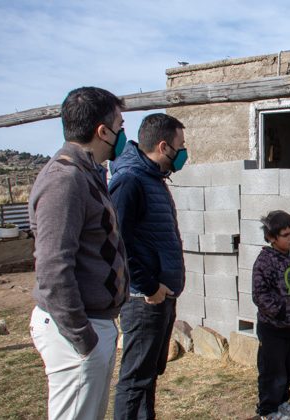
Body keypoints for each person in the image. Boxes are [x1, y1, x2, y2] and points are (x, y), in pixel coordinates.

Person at [28, 86, 128, 420]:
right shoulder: (64, 179)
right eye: (119, 125)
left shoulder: (87, 173)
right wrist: (84, 339)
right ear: (103, 131)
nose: (122, 134)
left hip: (92, 325)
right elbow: (54, 269)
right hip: (75, 331)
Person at [109, 113, 188, 419]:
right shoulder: (130, 180)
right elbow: (118, 242)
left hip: (160, 297)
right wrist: (150, 287)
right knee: (134, 380)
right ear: (164, 145)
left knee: (148, 376)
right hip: (144, 299)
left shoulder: (152, 178)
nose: (184, 152)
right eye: (181, 146)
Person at [252, 210, 290, 420]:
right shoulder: (265, 261)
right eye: (286, 234)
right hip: (273, 329)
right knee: (273, 371)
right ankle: (268, 409)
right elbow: (260, 294)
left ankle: (282, 402)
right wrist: (280, 312)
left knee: (289, 369)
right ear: (271, 237)